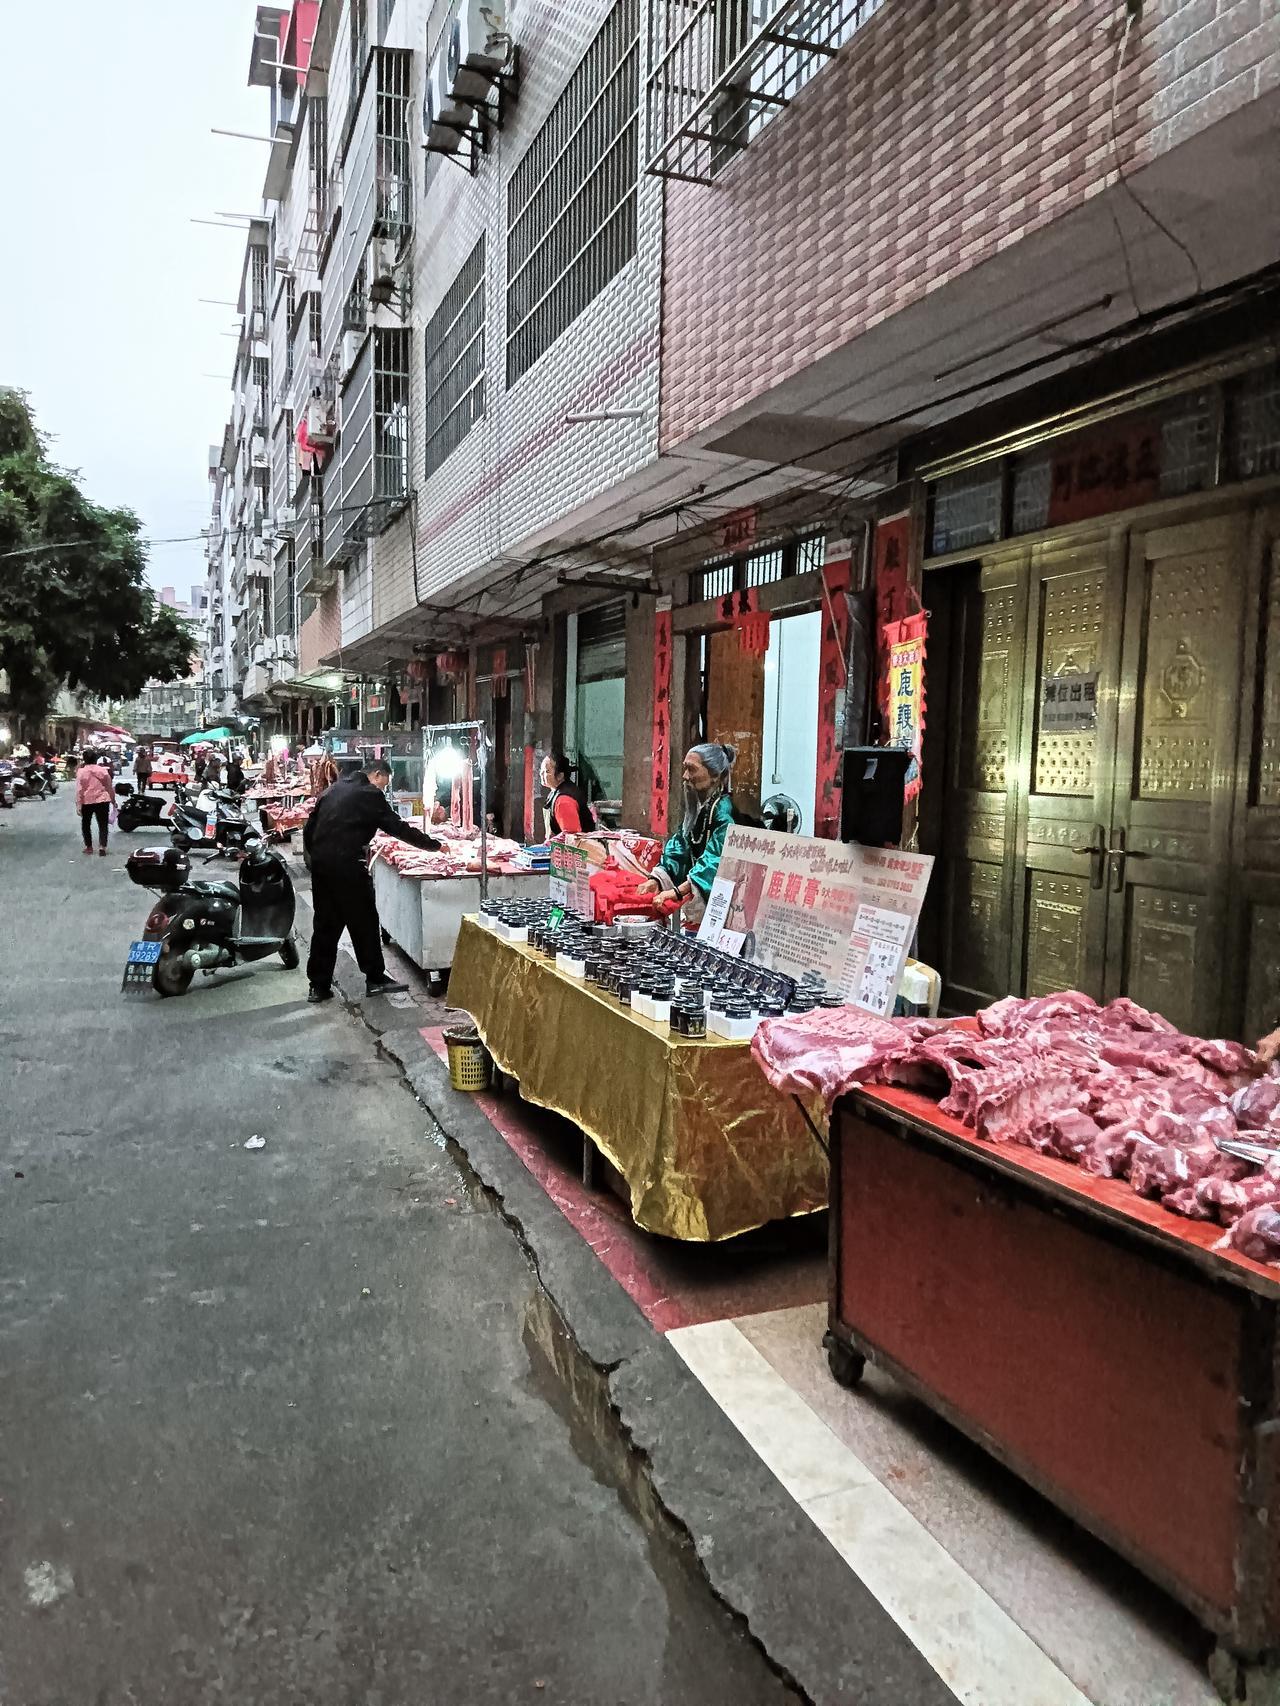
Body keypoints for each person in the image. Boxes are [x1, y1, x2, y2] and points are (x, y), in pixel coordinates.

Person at [302, 758, 441, 1003]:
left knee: (325, 925)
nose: (383, 790)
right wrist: (433, 846)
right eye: (384, 784)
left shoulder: (333, 789)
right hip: (348, 867)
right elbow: (397, 827)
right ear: (377, 775)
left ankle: (318, 985)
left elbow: (309, 829)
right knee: (364, 922)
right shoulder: (370, 794)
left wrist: (318, 858)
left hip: (322, 867)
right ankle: (375, 979)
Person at [638, 742, 737, 926]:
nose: (685, 777)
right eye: (685, 769)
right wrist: (657, 879)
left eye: (692, 770)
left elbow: (715, 860)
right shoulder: (698, 809)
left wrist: (677, 892)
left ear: (715, 775)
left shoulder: (725, 813)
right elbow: (680, 845)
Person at [541, 753, 595, 836]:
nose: (541, 774)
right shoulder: (555, 791)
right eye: (541, 770)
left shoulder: (563, 801)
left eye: (547, 771)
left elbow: (572, 838)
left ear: (560, 776)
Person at [75, 747, 115, 858]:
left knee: (86, 824)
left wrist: (78, 804)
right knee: (103, 824)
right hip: (102, 800)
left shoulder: (81, 772)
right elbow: (109, 787)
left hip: (87, 801)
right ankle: (102, 846)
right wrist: (113, 800)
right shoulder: (103, 770)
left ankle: (89, 847)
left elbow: (79, 789)